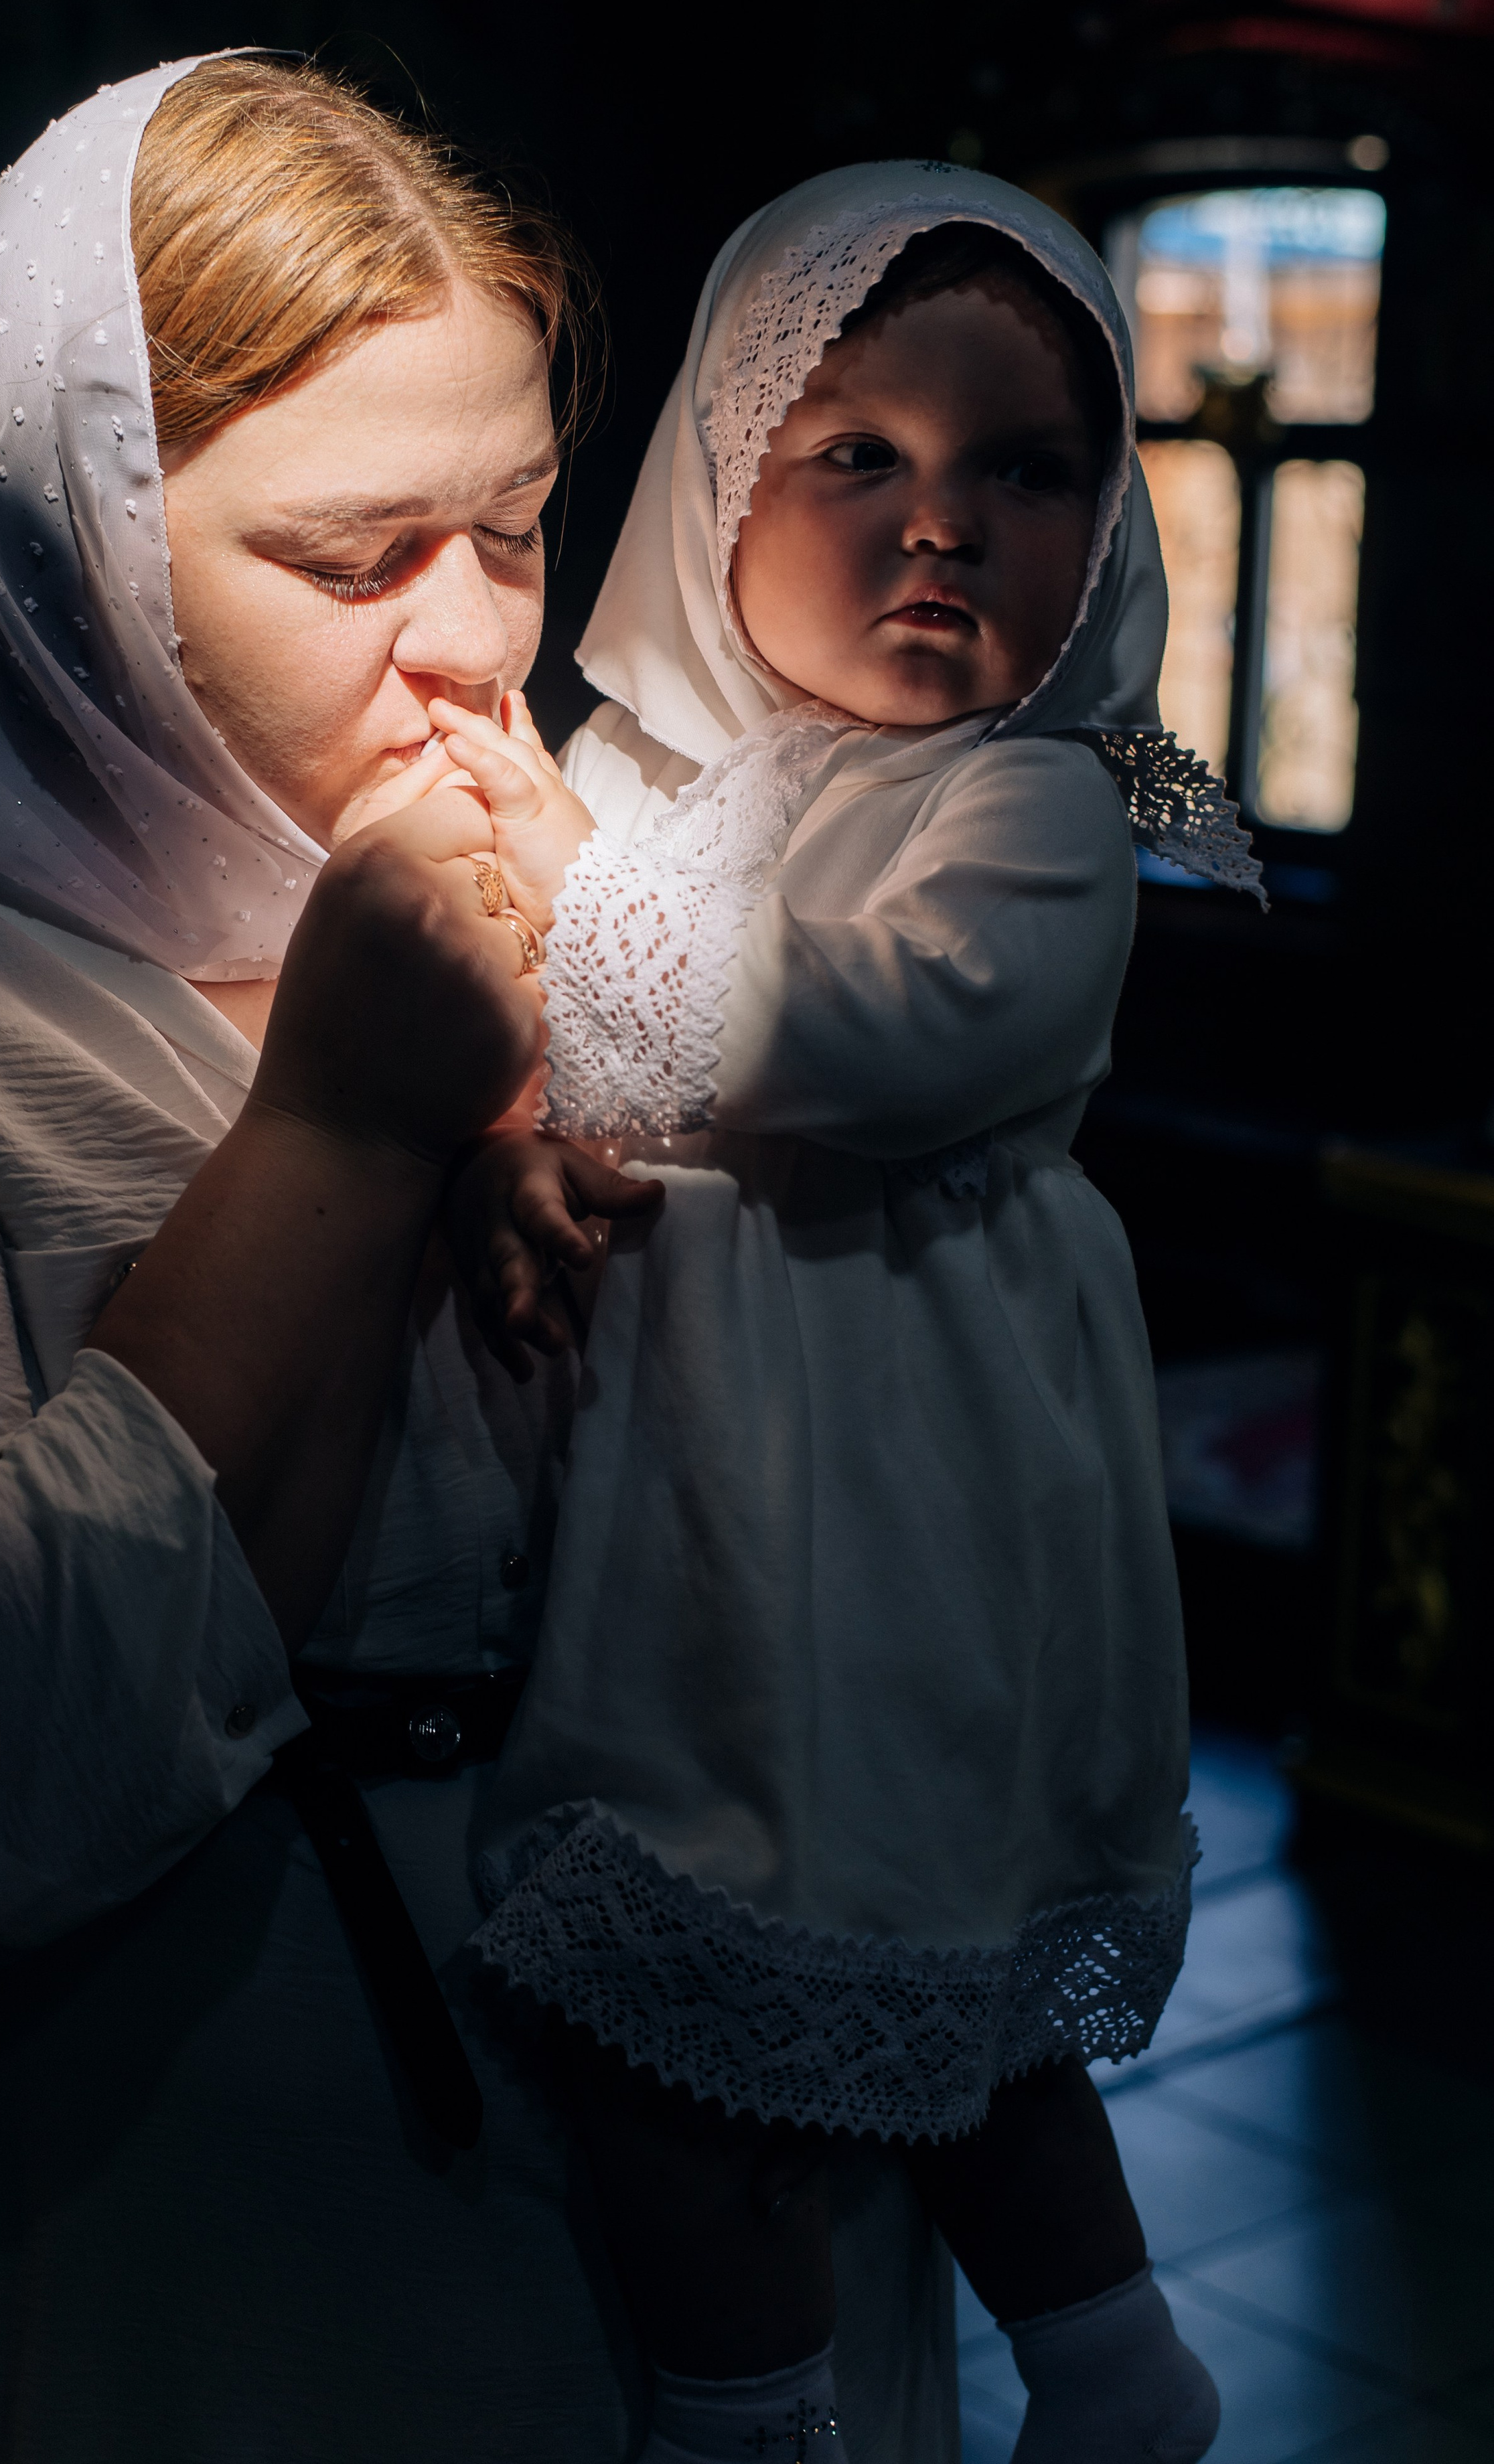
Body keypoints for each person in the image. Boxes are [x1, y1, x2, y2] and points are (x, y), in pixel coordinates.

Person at [0, 69, 961, 2459]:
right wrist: (335, 1117)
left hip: (739, 2139)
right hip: (212, 2214)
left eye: (513, 527)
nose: (467, 647)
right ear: (65, 541)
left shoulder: (631, 871)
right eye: (347, 559)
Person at [432, 167, 1261, 2461]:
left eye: (1023, 470)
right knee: (763, 1959)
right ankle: (1071, 2371)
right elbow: (523, 1030)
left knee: (908, 1944)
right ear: (717, 482)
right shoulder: (638, 777)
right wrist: (514, 1141)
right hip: (708, 1494)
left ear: (1111, 527)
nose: (938, 529)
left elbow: (857, 1038)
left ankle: (861, 2394)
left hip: (911, 1472)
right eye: (858, 458)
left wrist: (569, 898)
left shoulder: (1040, 809)